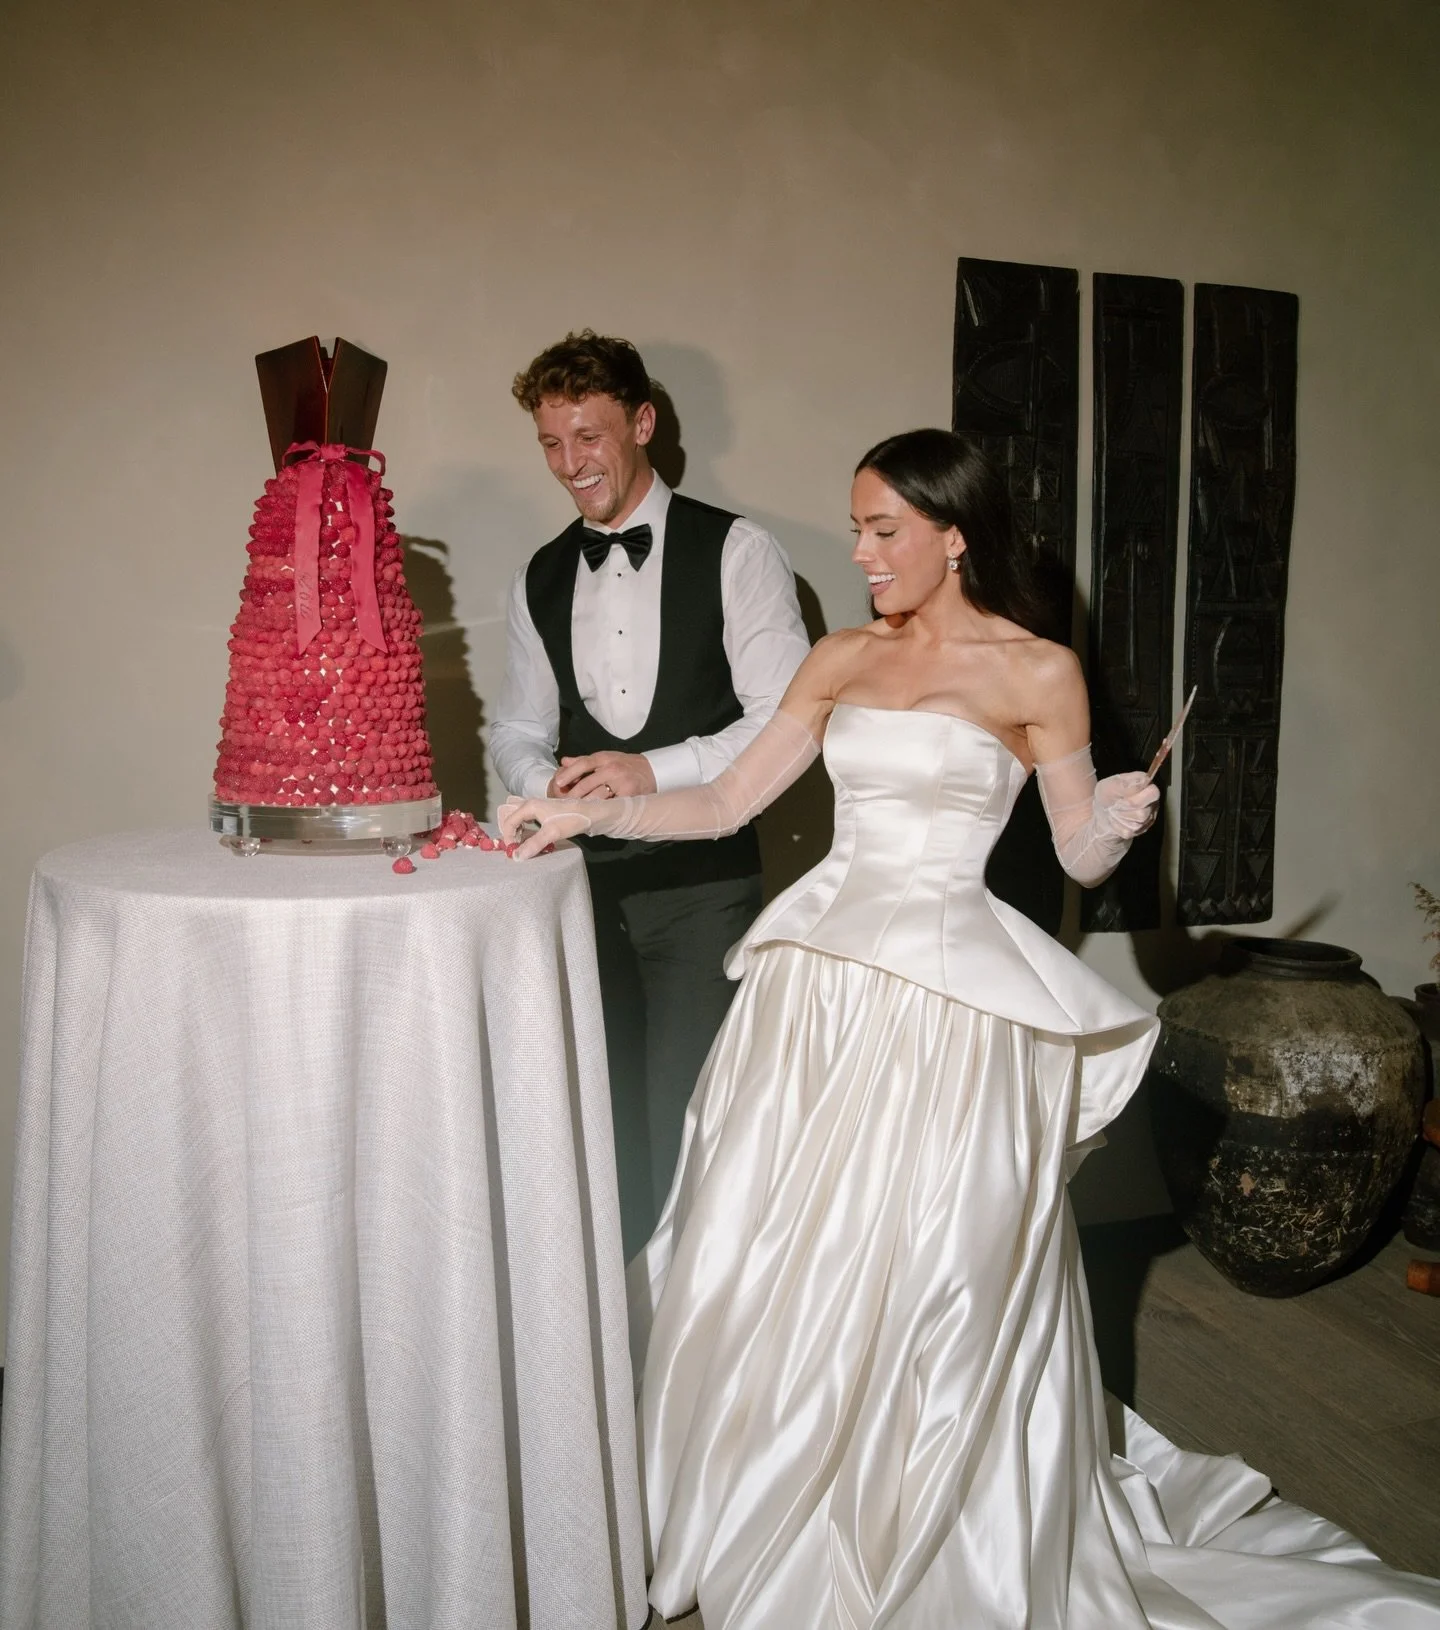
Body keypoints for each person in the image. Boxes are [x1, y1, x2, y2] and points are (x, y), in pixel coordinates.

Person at [501, 430, 1440, 1629]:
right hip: (818, 991)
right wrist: (575, 819)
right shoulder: (842, 657)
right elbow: (730, 797)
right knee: (763, 1244)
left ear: (956, 533)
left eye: (884, 530)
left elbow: (1073, 853)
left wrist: (1118, 813)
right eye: (857, 527)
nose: (860, 552)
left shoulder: (1040, 673)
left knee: (936, 1269)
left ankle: (908, 1503)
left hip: (951, 1002)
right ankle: (754, 1487)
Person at [490, 331, 811, 1258]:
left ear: (642, 422)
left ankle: (687, 1355)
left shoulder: (738, 551)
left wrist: (648, 769)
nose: (569, 465)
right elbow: (515, 730)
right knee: (589, 1119)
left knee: (690, 1123)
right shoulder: (538, 576)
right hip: (575, 897)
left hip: (702, 894)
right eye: (551, 444)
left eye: (588, 437)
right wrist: (538, 782)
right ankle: (601, 1351)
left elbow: (787, 722)